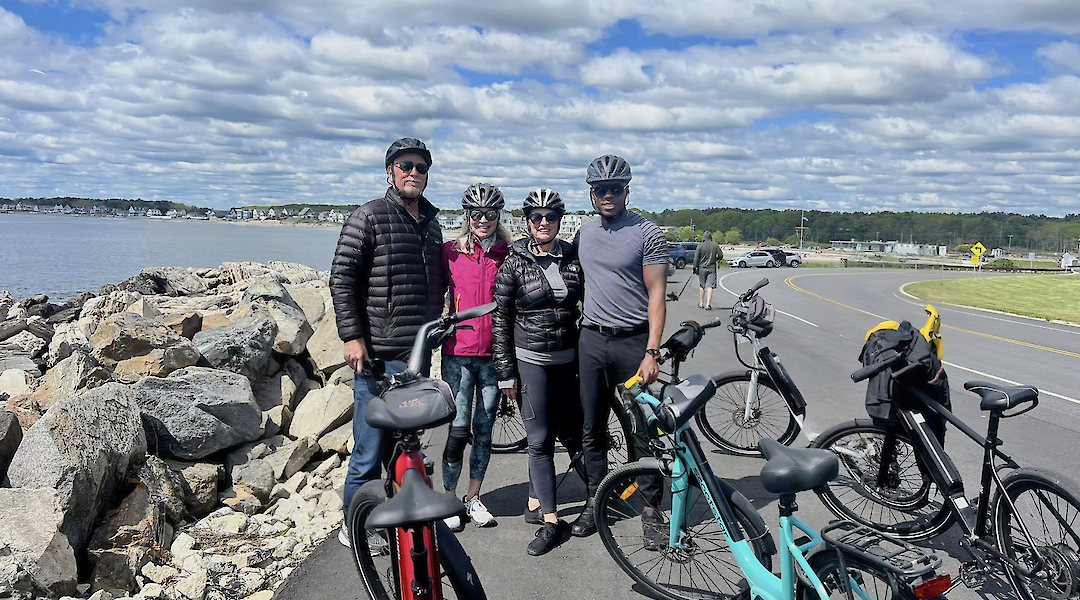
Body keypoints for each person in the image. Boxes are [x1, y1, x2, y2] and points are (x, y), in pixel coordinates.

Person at [330, 137, 446, 548]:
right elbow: (342, 278)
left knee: (402, 447)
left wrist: (441, 324)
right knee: (368, 450)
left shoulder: (431, 224)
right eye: (405, 166)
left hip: (416, 356)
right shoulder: (369, 217)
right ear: (390, 171)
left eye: (420, 166)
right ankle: (354, 526)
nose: (413, 172)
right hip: (377, 358)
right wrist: (353, 337)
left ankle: (390, 514)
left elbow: (438, 281)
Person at [571, 155, 667, 545]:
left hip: (632, 341)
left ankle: (651, 507)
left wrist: (653, 351)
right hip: (592, 339)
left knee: (644, 427)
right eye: (600, 190)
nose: (607, 195)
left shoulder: (647, 232)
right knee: (591, 425)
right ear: (592, 194)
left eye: (615, 188)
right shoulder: (585, 233)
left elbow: (657, 295)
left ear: (627, 190)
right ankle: (596, 500)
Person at [492, 189, 584, 556]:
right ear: (527, 222)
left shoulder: (574, 258)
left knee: (576, 435)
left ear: (560, 221)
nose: (543, 222)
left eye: (550, 217)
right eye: (535, 217)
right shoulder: (514, 263)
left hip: (570, 362)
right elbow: (501, 320)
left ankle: (594, 498)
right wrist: (505, 374)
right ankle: (550, 520)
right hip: (531, 361)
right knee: (540, 441)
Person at [440, 183, 512, 531]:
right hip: (457, 354)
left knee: (483, 431)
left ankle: (473, 498)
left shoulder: (509, 253)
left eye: (490, 213)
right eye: (477, 214)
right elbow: (428, 294)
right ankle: (449, 499)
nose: (483, 219)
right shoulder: (450, 252)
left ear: (499, 216)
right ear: (467, 216)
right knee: (457, 431)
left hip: (493, 356)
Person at [693, 231, 723, 310]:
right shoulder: (715, 245)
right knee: (710, 286)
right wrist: (716, 259)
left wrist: (694, 267)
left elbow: (696, 258)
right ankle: (708, 304)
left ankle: (701, 302)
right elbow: (721, 255)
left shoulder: (700, 246)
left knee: (702, 285)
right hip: (712, 268)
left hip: (702, 268)